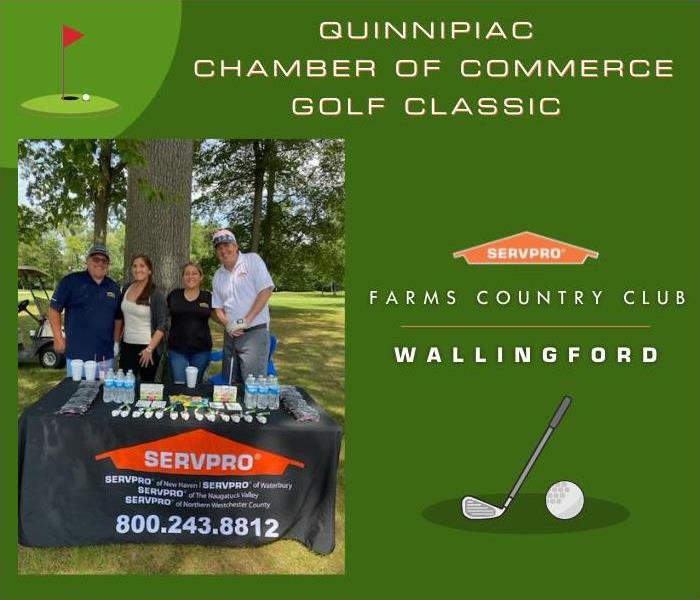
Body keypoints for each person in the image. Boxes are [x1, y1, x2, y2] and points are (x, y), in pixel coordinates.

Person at [48, 244, 123, 376]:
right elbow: (54, 309)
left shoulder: (114, 287)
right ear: (87, 261)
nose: (100, 263)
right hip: (77, 355)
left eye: (104, 260)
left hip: (105, 355)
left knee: (103, 393)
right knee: (76, 393)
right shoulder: (70, 281)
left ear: (108, 264)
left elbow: (118, 318)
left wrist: (116, 342)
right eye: (96, 259)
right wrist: (58, 338)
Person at [211, 229, 274, 384]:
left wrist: (247, 320)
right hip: (231, 335)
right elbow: (218, 308)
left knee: (253, 384)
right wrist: (228, 324)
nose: (223, 251)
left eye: (227, 245)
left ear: (236, 246)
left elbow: (265, 290)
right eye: (219, 248)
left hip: (255, 332)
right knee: (230, 383)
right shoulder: (218, 275)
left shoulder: (252, 260)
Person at [119, 254, 168, 382]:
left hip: (147, 348)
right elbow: (122, 317)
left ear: (149, 270)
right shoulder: (126, 288)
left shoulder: (156, 294)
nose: (138, 269)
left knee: (146, 389)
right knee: (127, 386)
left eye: (142, 266)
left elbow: (162, 325)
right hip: (127, 346)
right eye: (135, 266)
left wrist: (150, 349)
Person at [167, 262, 213, 384]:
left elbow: (218, 315)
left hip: (201, 350)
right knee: (179, 384)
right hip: (177, 349)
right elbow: (162, 316)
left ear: (201, 277)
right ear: (182, 277)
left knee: (195, 387)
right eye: (187, 274)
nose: (190, 277)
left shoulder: (207, 297)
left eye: (194, 273)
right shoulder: (174, 295)